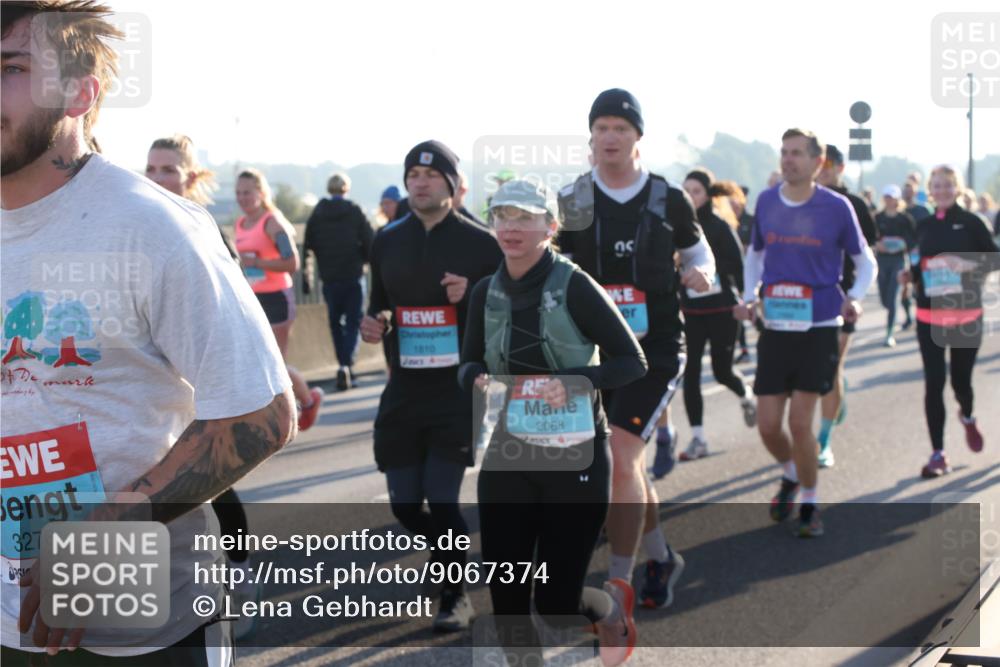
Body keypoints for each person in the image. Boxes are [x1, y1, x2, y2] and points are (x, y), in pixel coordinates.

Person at [1, 3, 295, 664]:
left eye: (9, 68)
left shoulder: (151, 228)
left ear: (80, 91)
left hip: (148, 626)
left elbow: (261, 414)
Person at [460, 179, 647, 666]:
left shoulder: (575, 285)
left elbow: (632, 361)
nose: (512, 227)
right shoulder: (485, 291)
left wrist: (577, 381)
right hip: (509, 451)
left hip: (575, 453)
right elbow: (466, 365)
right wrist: (477, 378)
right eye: (503, 216)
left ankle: (607, 610)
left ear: (550, 226)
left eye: (525, 217)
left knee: (556, 602)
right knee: (507, 596)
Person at [557, 89, 716, 608]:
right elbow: (550, 269)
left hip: (657, 350)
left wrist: (701, 273)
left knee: (619, 457)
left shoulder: (667, 198)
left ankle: (617, 585)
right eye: (601, 127)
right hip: (596, 356)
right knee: (629, 468)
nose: (609, 137)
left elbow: (700, 251)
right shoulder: (574, 200)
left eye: (620, 128)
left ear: (637, 138)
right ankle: (662, 557)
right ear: (591, 137)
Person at [360, 140, 503, 632]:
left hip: (457, 389)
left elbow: (505, 315)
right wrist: (375, 322)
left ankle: (456, 595)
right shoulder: (387, 240)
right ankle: (453, 561)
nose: (420, 183)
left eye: (431, 176)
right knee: (404, 503)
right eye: (413, 176)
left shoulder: (482, 243)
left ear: (451, 184)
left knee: (441, 499)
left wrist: (473, 297)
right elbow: (380, 302)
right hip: (404, 387)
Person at [144, 134, 262, 640]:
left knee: (211, 484)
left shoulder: (207, 234)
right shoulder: (138, 230)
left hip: (202, 394)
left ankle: (236, 582)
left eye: (168, 170)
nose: (157, 179)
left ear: (190, 178)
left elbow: (239, 326)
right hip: (156, 397)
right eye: (150, 169)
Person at [735, 128, 876, 538]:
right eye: (784, 152)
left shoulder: (836, 207)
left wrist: (855, 296)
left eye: (797, 153)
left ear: (818, 163)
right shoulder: (766, 201)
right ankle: (792, 472)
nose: (788, 159)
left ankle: (811, 503)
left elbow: (865, 261)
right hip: (776, 325)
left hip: (820, 325)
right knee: (766, 425)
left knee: (800, 423)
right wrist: (748, 296)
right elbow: (755, 255)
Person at [898, 165, 1000, 478]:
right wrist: (910, 275)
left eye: (947, 185)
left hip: (965, 315)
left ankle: (967, 416)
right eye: (936, 185)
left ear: (956, 188)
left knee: (960, 383)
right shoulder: (923, 224)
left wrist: (965, 262)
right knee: (933, 383)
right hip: (929, 316)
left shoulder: (972, 222)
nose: (941, 190)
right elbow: (919, 262)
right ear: (930, 189)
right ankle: (938, 454)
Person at [234, 168, 324, 429]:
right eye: (238, 193)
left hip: (276, 299)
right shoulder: (241, 224)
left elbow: (291, 262)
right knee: (255, 361)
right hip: (252, 300)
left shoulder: (272, 223)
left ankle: (306, 402)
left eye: (248, 192)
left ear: (261, 194)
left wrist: (257, 261)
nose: (242, 198)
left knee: (273, 363)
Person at [678, 170, 756, 461]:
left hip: (722, 310)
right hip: (692, 312)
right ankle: (698, 438)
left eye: (695, 191)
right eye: (685, 191)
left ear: (707, 195)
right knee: (692, 374)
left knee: (723, 372)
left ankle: (746, 396)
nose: (689, 196)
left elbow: (739, 264)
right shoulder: (677, 227)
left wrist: (709, 271)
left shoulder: (720, 226)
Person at [813, 144, 878, 468]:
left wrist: (855, 293)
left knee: (829, 369)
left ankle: (823, 441)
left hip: (841, 302)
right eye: (818, 163)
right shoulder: (798, 200)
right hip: (802, 303)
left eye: (827, 165)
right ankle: (837, 391)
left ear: (839, 167)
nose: (821, 170)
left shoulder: (853, 204)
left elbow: (868, 253)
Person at [303, 172, 375, 391]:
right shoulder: (355, 211)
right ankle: (347, 365)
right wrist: (363, 260)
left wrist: (308, 276)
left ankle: (342, 364)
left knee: (335, 324)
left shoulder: (318, 214)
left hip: (329, 278)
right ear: (346, 189)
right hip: (353, 275)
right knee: (354, 322)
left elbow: (308, 246)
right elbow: (370, 242)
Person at [874, 185, 917, 347]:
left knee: (892, 299)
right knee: (884, 299)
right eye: (886, 196)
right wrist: (878, 245)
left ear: (897, 199)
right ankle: (903, 314)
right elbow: (870, 238)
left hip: (898, 261)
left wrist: (900, 245)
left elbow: (912, 241)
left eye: (891, 197)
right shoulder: (877, 218)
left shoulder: (905, 219)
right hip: (882, 261)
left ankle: (889, 334)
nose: (888, 199)